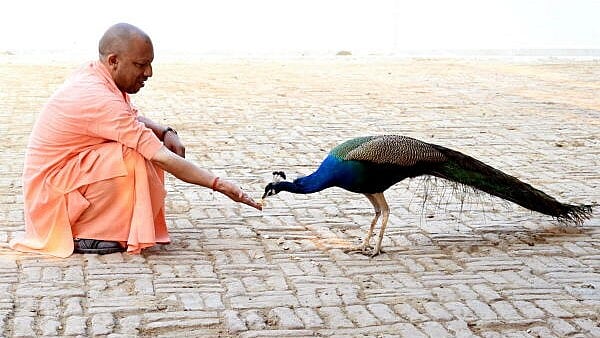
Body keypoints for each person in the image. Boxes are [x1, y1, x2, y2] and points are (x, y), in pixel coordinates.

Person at [9, 23, 262, 257]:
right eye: (141, 65)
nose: (149, 73)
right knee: (136, 155)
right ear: (113, 61)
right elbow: (160, 155)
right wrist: (220, 185)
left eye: (150, 64)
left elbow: (131, 117)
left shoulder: (95, 74)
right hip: (51, 202)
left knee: (140, 146)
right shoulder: (97, 96)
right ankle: (83, 233)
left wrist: (165, 131)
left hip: (59, 184)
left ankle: (103, 226)